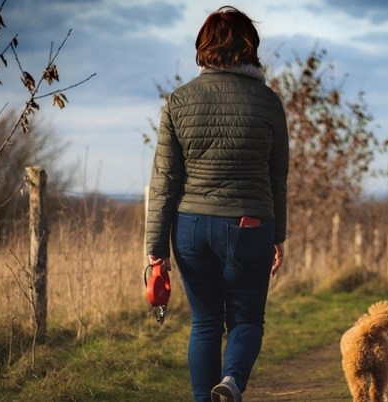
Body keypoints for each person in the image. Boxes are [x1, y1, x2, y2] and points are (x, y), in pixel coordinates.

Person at [145, 6, 288, 402]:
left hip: (191, 227)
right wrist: (280, 235)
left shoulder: (179, 100)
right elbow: (278, 176)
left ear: (204, 47)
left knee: (205, 323)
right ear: (250, 48)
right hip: (250, 225)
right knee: (246, 320)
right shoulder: (268, 102)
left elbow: (164, 180)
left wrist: (155, 250)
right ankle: (231, 382)